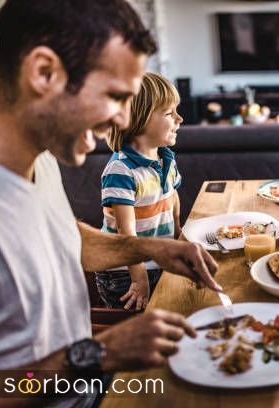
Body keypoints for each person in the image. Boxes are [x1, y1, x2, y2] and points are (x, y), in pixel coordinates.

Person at [0, 0, 222, 405]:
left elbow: (61, 239)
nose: (122, 120)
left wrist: (151, 246)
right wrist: (102, 353)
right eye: (115, 96)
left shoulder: (41, 158)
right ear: (43, 73)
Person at [95, 72, 184, 310]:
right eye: (169, 113)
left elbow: (171, 197)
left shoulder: (165, 157)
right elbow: (127, 233)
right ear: (139, 119)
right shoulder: (121, 170)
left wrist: (178, 234)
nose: (180, 119)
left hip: (157, 261)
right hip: (125, 273)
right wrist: (139, 278)